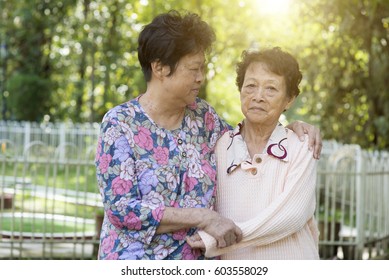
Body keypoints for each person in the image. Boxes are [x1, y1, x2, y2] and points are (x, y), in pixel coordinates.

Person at [94, 10, 322, 260]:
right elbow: (121, 209)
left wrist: (289, 127)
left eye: (202, 68)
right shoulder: (120, 124)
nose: (201, 77)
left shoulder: (204, 118)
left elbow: (251, 134)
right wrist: (202, 217)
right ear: (160, 68)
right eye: (194, 69)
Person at [187, 47, 320, 259]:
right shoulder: (219, 145)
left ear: (289, 99)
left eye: (271, 89)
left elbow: (292, 216)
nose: (258, 97)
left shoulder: (302, 146)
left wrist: (219, 240)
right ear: (240, 90)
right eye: (250, 86)